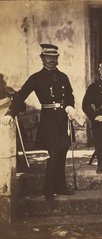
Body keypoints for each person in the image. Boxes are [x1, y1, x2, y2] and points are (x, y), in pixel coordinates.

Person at [0, 44, 76, 200]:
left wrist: (70, 106)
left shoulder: (63, 77)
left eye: (54, 58)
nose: (51, 61)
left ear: (57, 59)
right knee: (53, 153)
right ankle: (49, 189)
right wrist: (10, 112)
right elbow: (20, 96)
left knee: (62, 152)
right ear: (42, 59)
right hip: (49, 121)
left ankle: (60, 186)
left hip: (63, 119)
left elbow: (70, 95)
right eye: (48, 57)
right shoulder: (36, 78)